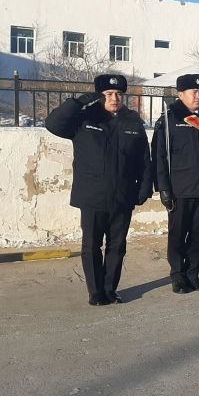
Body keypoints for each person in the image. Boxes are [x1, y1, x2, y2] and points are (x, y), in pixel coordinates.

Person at [46, 74, 152, 306]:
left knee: (117, 246)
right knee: (92, 246)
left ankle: (110, 289)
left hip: (123, 196)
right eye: (108, 94)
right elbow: (52, 124)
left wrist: (144, 189)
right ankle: (95, 291)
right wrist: (80, 101)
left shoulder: (132, 122)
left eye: (119, 94)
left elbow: (144, 160)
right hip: (93, 195)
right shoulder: (84, 118)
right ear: (99, 95)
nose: (114, 98)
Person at [152, 74, 199, 294]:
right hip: (179, 189)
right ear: (181, 94)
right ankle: (178, 276)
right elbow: (159, 157)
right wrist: (163, 188)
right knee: (178, 236)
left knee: (198, 236)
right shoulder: (169, 119)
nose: (198, 95)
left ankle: (193, 274)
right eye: (193, 92)